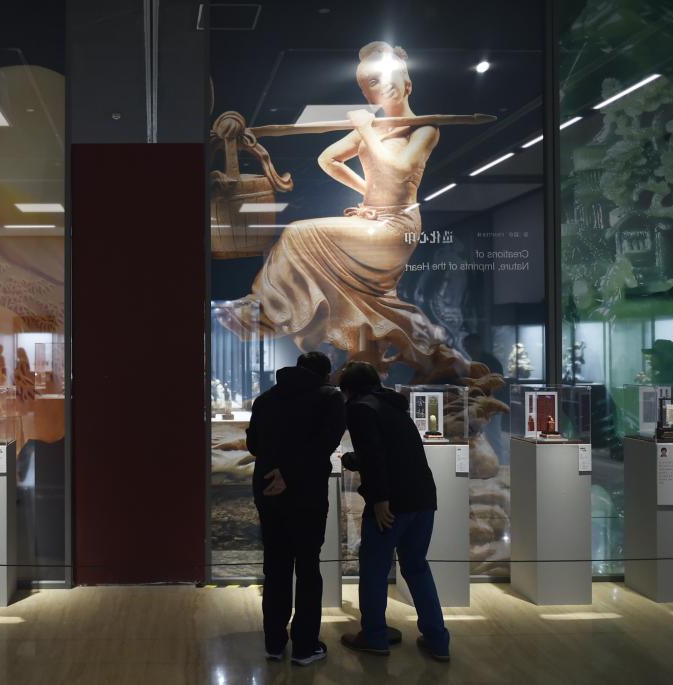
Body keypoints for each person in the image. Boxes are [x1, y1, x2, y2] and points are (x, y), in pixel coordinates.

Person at [221, 41, 466, 379]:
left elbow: (398, 169)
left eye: (388, 77)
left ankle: (265, 309)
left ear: (407, 82)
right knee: (357, 295)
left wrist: (366, 129)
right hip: (372, 218)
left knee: (297, 233)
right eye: (371, 83)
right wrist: (369, 194)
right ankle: (369, 360)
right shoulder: (373, 129)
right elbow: (328, 160)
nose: (382, 86)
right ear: (367, 94)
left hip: (396, 226)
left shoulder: (424, 129)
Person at [338, 360, 450, 662]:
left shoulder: (360, 409)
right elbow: (393, 452)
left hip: (392, 503)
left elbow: (375, 456)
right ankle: (438, 640)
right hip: (423, 498)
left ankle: (374, 636)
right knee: (416, 567)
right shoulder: (395, 405)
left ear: (348, 389)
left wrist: (379, 500)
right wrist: (354, 460)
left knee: (374, 568)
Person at [246, 351, 346, 666]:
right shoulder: (329, 398)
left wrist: (278, 469)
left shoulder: (265, 399)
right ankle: (304, 646)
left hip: (268, 490)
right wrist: (289, 474)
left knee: (275, 566)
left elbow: (253, 445)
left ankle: (274, 644)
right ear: (325, 374)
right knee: (307, 568)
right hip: (307, 493)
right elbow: (325, 444)